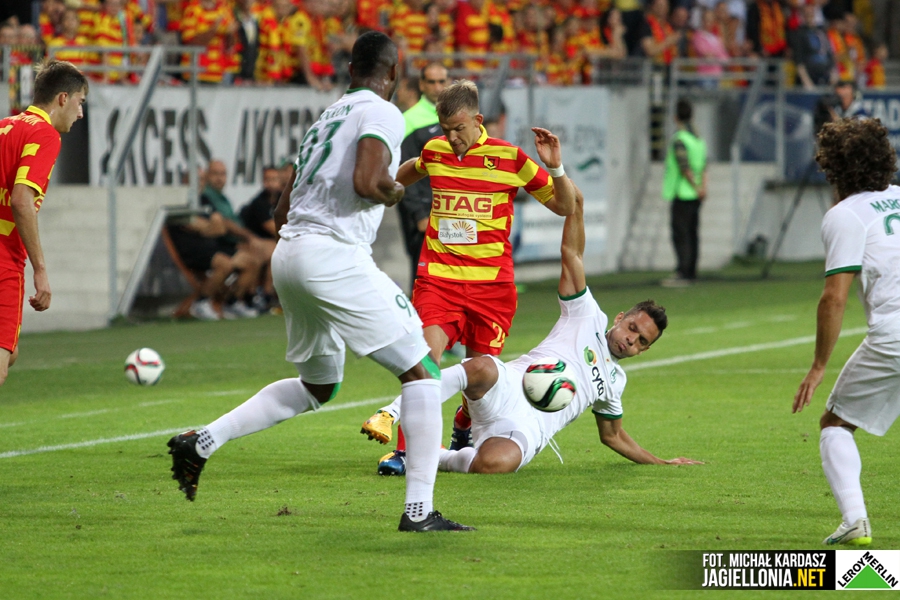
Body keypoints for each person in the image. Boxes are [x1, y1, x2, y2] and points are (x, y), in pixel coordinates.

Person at [167, 31, 473, 533]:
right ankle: (419, 511)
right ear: (393, 73)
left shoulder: (324, 119)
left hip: (290, 255)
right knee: (423, 372)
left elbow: (281, 209)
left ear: (349, 70)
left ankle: (201, 441)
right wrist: (394, 192)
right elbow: (368, 182)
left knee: (319, 385)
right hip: (334, 256)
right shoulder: (382, 112)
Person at [360, 79, 577, 475]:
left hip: (491, 290)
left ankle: (463, 426)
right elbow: (414, 168)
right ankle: (408, 453)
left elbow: (564, 206)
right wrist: (387, 188)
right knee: (423, 360)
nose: (452, 138)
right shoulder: (436, 150)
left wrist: (555, 166)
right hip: (438, 282)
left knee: (478, 377)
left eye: (459, 128)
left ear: (478, 121)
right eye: (446, 130)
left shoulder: (510, 159)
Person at [419, 190, 702, 473]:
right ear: (619, 319)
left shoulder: (615, 382)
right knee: (480, 365)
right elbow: (572, 255)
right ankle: (409, 412)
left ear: (644, 350)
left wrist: (662, 462)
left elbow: (612, 435)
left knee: (495, 464)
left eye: (641, 341)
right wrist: (575, 205)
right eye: (632, 328)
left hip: (529, 427)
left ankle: (439, 456)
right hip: (508, 388)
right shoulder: (587, 315)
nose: (631, 340)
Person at [793, 117, 900, 547]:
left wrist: (819, 365)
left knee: (835, 423)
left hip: (894, 336)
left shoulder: (845, 216)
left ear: (834, 168)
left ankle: (855, 519)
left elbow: (834, 299)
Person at [0, 60, 87, 387]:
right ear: (63, 99)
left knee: (11, 351)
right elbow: (22, 200)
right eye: (80, 102)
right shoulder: (45, 134)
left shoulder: (5, 126)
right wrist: (40, 269)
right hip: (4, 258)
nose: (81, 113)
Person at [397, 62, 447, 292]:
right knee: (422, 274)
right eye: (432, 82)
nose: (437, 87)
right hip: (424, 209)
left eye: (442, 81)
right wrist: (419, 214)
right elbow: (404, 172)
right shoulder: (410, 119)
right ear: (422, 85)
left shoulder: (456, 117)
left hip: (450, 205)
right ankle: (416, 316)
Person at [661, 99, 706, 288]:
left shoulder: (680, 139)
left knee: (681, 234)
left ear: (675, 117)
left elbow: (684, 167)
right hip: (697, 194)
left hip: (682, 192)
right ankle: (691, 271)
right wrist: (702, 188)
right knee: (693, 233)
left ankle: (683, 272)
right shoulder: (698, 139)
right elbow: (703, 166)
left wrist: (694, 186)